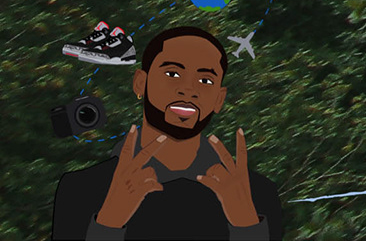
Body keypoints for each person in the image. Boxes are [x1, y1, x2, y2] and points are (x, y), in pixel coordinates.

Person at [45, 28, 283, 240]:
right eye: (172, 74)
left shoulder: (256, 195)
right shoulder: (80, 191)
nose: (189, 89)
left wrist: (247, 228)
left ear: (219, 99)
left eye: (205, 80)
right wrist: (108, 223)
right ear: (140, 83)